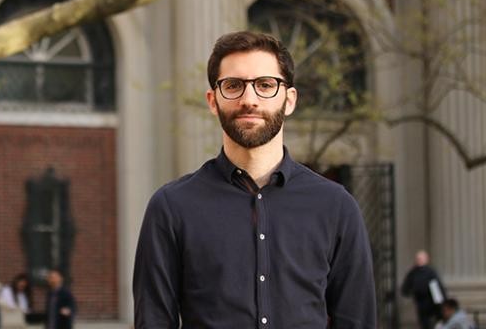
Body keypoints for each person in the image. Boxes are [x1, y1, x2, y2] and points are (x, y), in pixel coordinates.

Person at [133, 31, 376, 328]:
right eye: (233, 86)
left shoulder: (336, 206)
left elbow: (357, 321)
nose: (249, 99)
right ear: (213, 100)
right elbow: (154, 321)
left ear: (289, 99)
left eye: (265, 85)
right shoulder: (171, 207)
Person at [401, 250, 446, 329]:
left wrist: (440, 302)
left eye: (421, 258)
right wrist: (408, 291)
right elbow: (406, 286)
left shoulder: (430, 272)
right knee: (424, 322)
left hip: (431, 302)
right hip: (420, 302)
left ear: (426, 259)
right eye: (418, 259)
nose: (419, 261)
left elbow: (436, 287)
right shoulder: (413, 272)